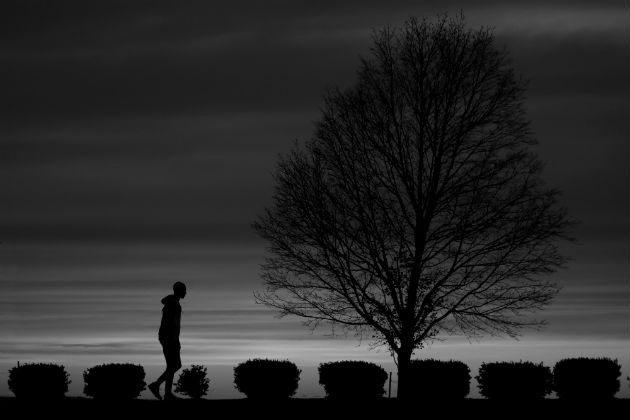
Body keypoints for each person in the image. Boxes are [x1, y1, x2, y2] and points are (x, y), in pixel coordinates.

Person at [148, 281, 186, 400]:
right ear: (179, 291)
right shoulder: (173, 304)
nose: (186, 292)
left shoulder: (172, 302)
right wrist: (174, 339)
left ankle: (168, 394)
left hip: (167, 337)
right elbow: (171, 323)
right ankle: (156, 385)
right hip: (169, 338)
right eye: (184, 290)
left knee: (171, 366)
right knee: (176, 365)